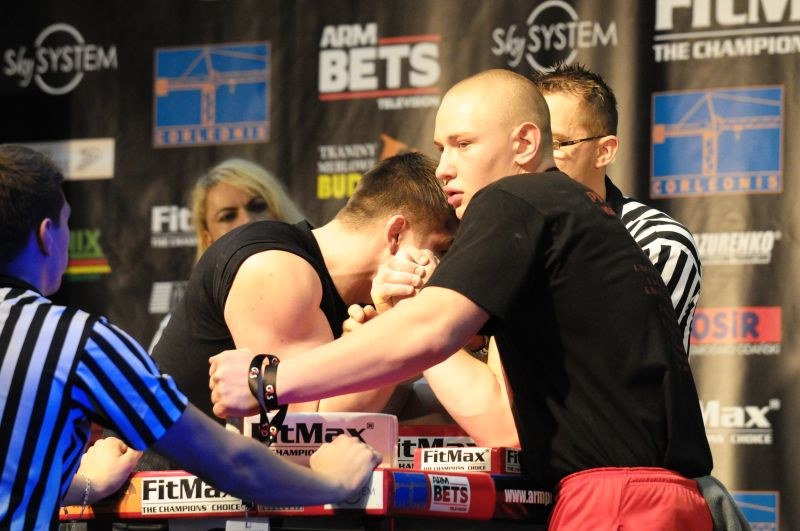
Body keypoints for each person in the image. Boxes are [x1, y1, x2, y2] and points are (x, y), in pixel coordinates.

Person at [210, 69, 714, 529]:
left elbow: (432, 330)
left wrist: (269, 380)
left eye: (463, 145)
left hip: (616, 501)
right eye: (440, 148)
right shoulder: (579, 209)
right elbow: (499, 417)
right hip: (658, 499)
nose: (444, 169)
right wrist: (410, 312)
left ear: (524, 143)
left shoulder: (514, 198)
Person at [0, 144, 381, 529]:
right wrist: (333, 482)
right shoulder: (78, 341)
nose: (246, 221)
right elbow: (230, 460)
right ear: (47, 235)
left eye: (256, 206)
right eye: (67, 222)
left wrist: (81, 483)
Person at [152, 151, 456, 419]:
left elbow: (392, 408)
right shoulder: (274, 269)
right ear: (396, 234)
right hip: (167, 465)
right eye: (442, 250)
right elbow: (306, 428)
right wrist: (402, 329)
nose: (443, 267)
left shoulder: (365, 301)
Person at [148, 158, 306, 351]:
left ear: (279, 212)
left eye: (257, 206)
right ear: (209, 239)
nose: (247, 220)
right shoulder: (181, 329)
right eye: (228, 216)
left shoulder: (326, 292)